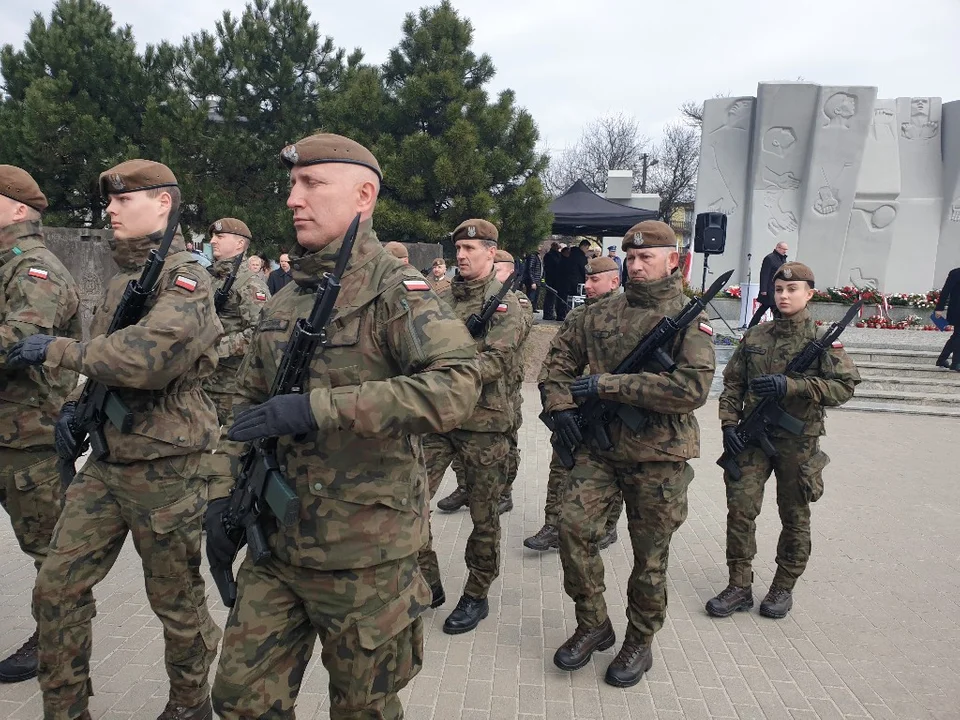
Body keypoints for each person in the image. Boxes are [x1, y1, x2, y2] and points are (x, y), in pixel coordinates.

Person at [204, 133, 482, 719]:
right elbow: (245, 409)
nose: (292, 200)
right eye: (292, 185)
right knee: (237, 701)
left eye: (311, 184)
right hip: (275, 544)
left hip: (365, 557)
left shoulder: (395, 292)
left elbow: (457, 386)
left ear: (363, 195)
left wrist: (319, 408)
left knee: (364, 709)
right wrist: (219, 497)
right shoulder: (286, 301)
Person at [7, 160, 223, 720]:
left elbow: (146, 360)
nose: (111, 210)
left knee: (175, 602)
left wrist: (54, 349)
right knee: (56, 587)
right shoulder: (126, 279)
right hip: (106, 462)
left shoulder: (188, 280)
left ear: (164, 204)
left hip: (167, 465)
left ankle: (190, 703)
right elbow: (105, 368)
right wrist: (78, 409)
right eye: (111, 202)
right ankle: (67, 709)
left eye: (125, 200)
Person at [540, 220, 715, 687]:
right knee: (572, 531)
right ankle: (593, 623)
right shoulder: (595, 315)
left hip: (658, 457)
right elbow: (557, 364)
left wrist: (609, 384)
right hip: (598, 449)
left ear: (673, 261)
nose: (636, 265)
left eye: (647, 258)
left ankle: (639, 640)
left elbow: (691, 389)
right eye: (631, 258)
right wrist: (559, 406)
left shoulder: (689, 318)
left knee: (649, 557)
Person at [707, 262, 861, 621]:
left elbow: (845, 387)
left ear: (809, 294)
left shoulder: (821, 340)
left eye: (793, 290)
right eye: (779, 290)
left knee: (794, 515)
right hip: (752, 439)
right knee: (740, 511)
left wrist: (793, 385)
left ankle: (783, 586)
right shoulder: (756, 336)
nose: (784, 296)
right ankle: (738, 585)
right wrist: (729, 424)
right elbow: (732, 384)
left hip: (798, 441)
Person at [417, 219, 524, 634]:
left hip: (485, 423)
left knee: (484, 517)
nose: (462, 255)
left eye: (471, 248)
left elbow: (496, 361)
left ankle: (476, 594)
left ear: (491, 253)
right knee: (409, 502)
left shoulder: (507, 305)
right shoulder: (439, 296)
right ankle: (427, 579)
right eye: (458, 247)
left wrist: (442, 372)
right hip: (438, 420)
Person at [0, 166, 81, 684]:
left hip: (28, 437)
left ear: (16, 209)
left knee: (49, 552)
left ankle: (54, 643)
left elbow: (20, 342)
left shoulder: (36, 269)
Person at [524, 256, 622, 553]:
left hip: (608, 407)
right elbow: (556, 358)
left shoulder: (626, 315)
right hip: (572, 404)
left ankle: (607, 526)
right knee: (561, 463)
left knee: (613, 470)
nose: (588, 285)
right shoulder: (577, 316)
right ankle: (553, 525)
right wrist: (553, 396)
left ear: (614, 282)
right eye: (587, 280)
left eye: (595, 280)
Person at [441, 250, 532, 516]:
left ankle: (504, 490)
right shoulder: (452, 296)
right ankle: (464, 486)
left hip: (505, 387)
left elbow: (514, 338)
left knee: (505, 444)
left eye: (502, 272)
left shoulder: (517, 302)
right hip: (457, 394)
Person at [202, 218, 269, 491]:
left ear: (240, 243)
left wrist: (217, 349)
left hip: (232, 383)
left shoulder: (250, 284)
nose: (213, 241)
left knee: (232, 450)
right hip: (203, 379)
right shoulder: (208, 277)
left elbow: (259, 333)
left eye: (221, 237)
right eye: (212, 237)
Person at [748, 241, 788, 327]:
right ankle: (778, 327)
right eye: (783, 249)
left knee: (766, 309)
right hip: (769, 289)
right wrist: (763, 290)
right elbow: (764, 274)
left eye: (786, 249)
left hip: (777, 289)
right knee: (773, 309)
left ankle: (751, 326)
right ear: (778, 248)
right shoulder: (769, 258)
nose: (785, 251)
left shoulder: (783, 259)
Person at [934, 267, 960, 369]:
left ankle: (942, 359)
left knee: (956, 336)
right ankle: (956, 363)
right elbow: (946, 291)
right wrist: (939, 308)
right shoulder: (956, 273)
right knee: (958, 335)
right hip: (957, 309)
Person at [542, 242, 563, 320]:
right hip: (552, 278)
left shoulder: (550, 255)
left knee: (551, 297)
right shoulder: (551, 255)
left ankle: (549, 313)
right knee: (550, 296)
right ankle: (548, 313)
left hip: (552, 278)